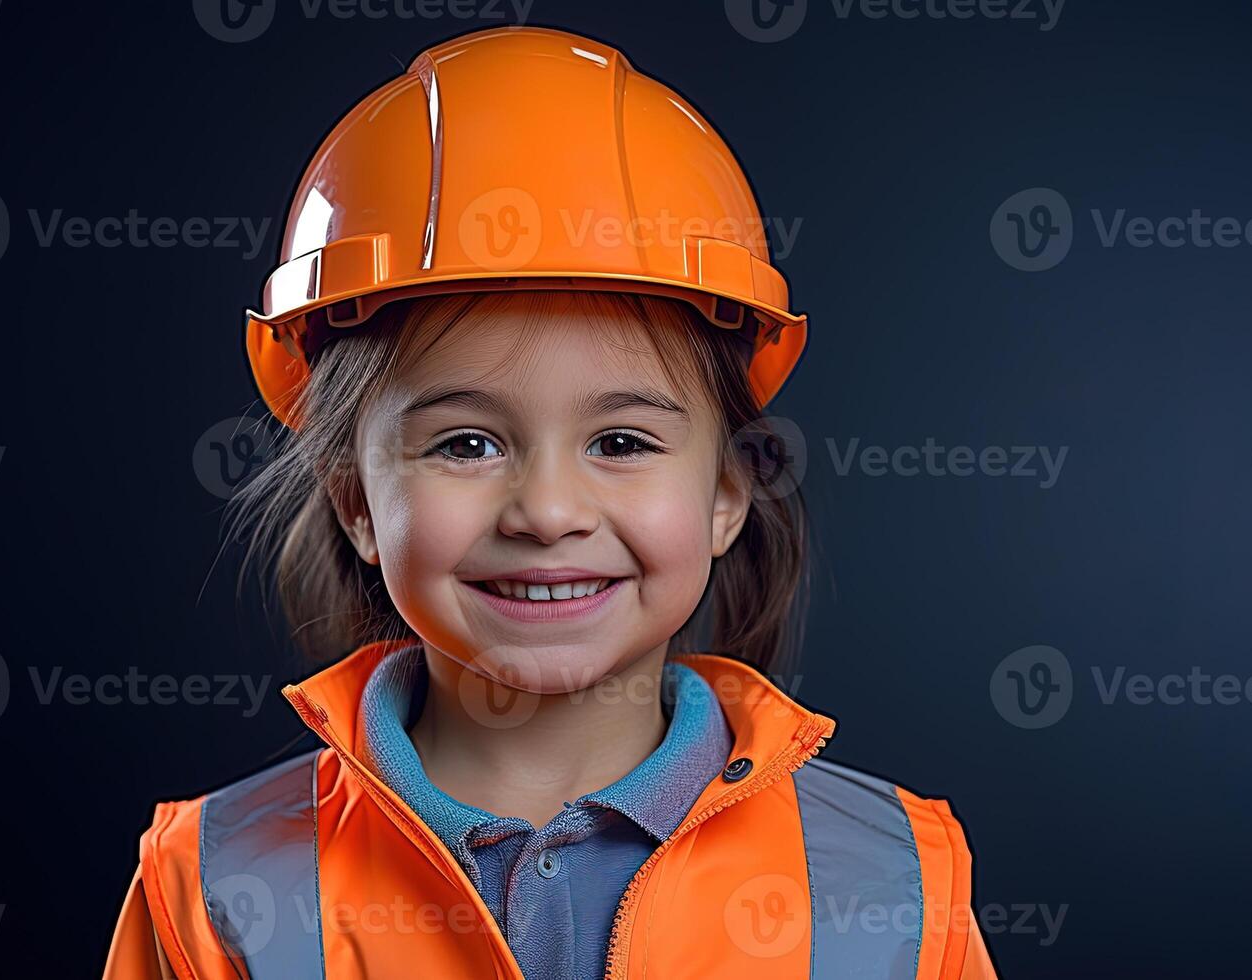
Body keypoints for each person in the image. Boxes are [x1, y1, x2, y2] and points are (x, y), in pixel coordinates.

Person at [103, 25, 1000, 980]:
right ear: (355, 500)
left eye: (621, 442)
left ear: (727, 494)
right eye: (466, 443)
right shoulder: (215, 887)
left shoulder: (891, 889)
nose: (546, 510)